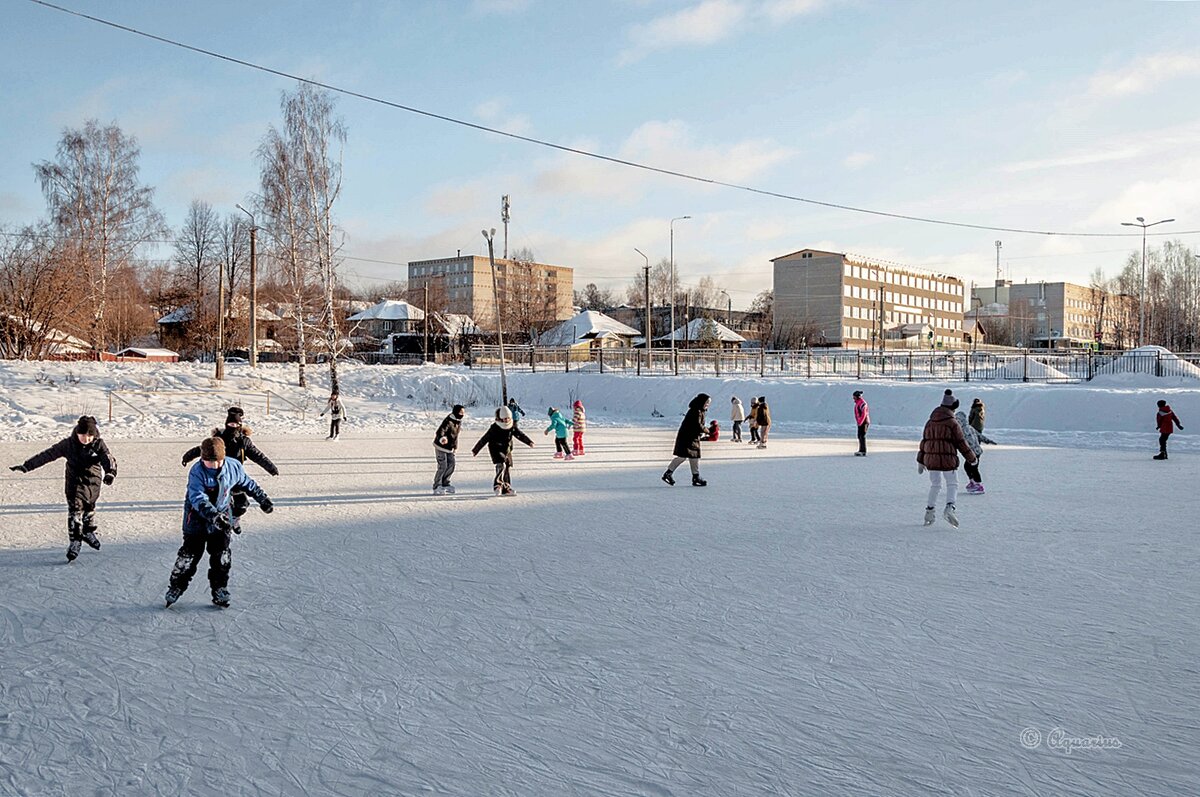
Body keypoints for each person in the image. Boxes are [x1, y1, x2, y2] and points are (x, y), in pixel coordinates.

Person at [165, 434, 273, 608]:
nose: (213, 465)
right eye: (209, 461)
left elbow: (247, 483)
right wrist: (213, 516)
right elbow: (197, 497)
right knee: (189, 556)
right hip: (197, 519)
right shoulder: (197, 471)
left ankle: (220, 589)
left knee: (221, 556)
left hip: (222, 516)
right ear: (202, 458)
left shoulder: (233, 466)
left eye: (217, 461)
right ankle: (176, 587)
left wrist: (263, 498)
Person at [9, 415, 117, 562]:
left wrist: (110, 472)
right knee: (75, 510)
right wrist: (27, 465)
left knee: (89, 507)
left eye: (89, 435)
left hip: (93, 482)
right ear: (77, 433)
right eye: (83, 435)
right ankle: (75, 541)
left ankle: (86, 532)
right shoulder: (68, 444)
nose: (86, 439)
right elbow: (48, 454)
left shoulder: (98, 444)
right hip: (74, 482)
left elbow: (108, 458)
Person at [181, 406, 278, 533]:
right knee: (215, 503)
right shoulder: (219, 439)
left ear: (240, 425)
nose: (232, 426)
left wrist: (270, 468)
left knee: (242, 505)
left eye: (235, 424)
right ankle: (218, 521)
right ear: (226, 424)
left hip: (235, 477)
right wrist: (187, 457)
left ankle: (234, 518)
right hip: (215, 476)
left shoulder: (244, 442)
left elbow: (257, 455)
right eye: (230, 423)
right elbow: (202, 449)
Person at [917, 390, 977, 528]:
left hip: (931, 460)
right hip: (948, 460)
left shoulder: (930, 421)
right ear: (952, 408)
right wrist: (971, 458)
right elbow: (961, 442)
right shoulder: (952, 422)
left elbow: (924, 441)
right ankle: (950, 507)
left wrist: (921, 460)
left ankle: (929, 511)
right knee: (952, 484)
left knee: (935, 485)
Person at [472, 405, 534, 495]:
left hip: (507, 449)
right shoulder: (495, 427)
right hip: (495, 449)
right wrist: (476, 449)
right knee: (501, 465)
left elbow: (520, 435)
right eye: (504, 418)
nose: (506, 420)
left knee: (507, 467)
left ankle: (506, 488)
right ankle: (498, 485)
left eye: (508, 418)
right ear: (500, 418)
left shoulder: (511, 426)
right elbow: (484, 438)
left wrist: (529, 442)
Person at [662, 393, 710, 487]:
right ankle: (668, 473)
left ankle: (695, 477)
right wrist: (707, 430)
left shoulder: (699, 410)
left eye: (709, 402)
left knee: (694, 456)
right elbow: (697, 425)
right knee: (683, 456)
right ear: (702, 402)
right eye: (707, 402)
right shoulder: (695, 411)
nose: (708, 404)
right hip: (687, 437)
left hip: (691, 437)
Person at [433, 404, 465, 494]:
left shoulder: (458, 421)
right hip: (441, 446)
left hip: (449, 448)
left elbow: (455, 436)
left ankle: (445, 483)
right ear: (455, 412)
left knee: (451, 464)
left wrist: (455, 447)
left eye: (463, 413)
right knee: (443, 465)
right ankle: (437, 485)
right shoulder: (448, 421)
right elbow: (440, 431)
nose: (462, 414)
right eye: (460, 412)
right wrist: (442, 438)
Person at [955, 407, 985, 494]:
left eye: (958, 420)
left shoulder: (964, 429)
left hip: (974, 452)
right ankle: (973, 482)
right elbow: (979, 435)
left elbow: (968, 440)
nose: (956, 421)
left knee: (973, 468)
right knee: (967, 467)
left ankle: (979, 485)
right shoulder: (968, 428)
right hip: (974, 451)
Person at [853, 390, 870, 456]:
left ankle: (863, 451)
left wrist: (860, 422)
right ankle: (861, 449)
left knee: (862, 435)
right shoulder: (858, 403)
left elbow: (864, 414)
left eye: (854, 397)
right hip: (860, 422)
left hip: (864, 421)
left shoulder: (863, 403)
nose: (853, 399)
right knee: (859, 435)